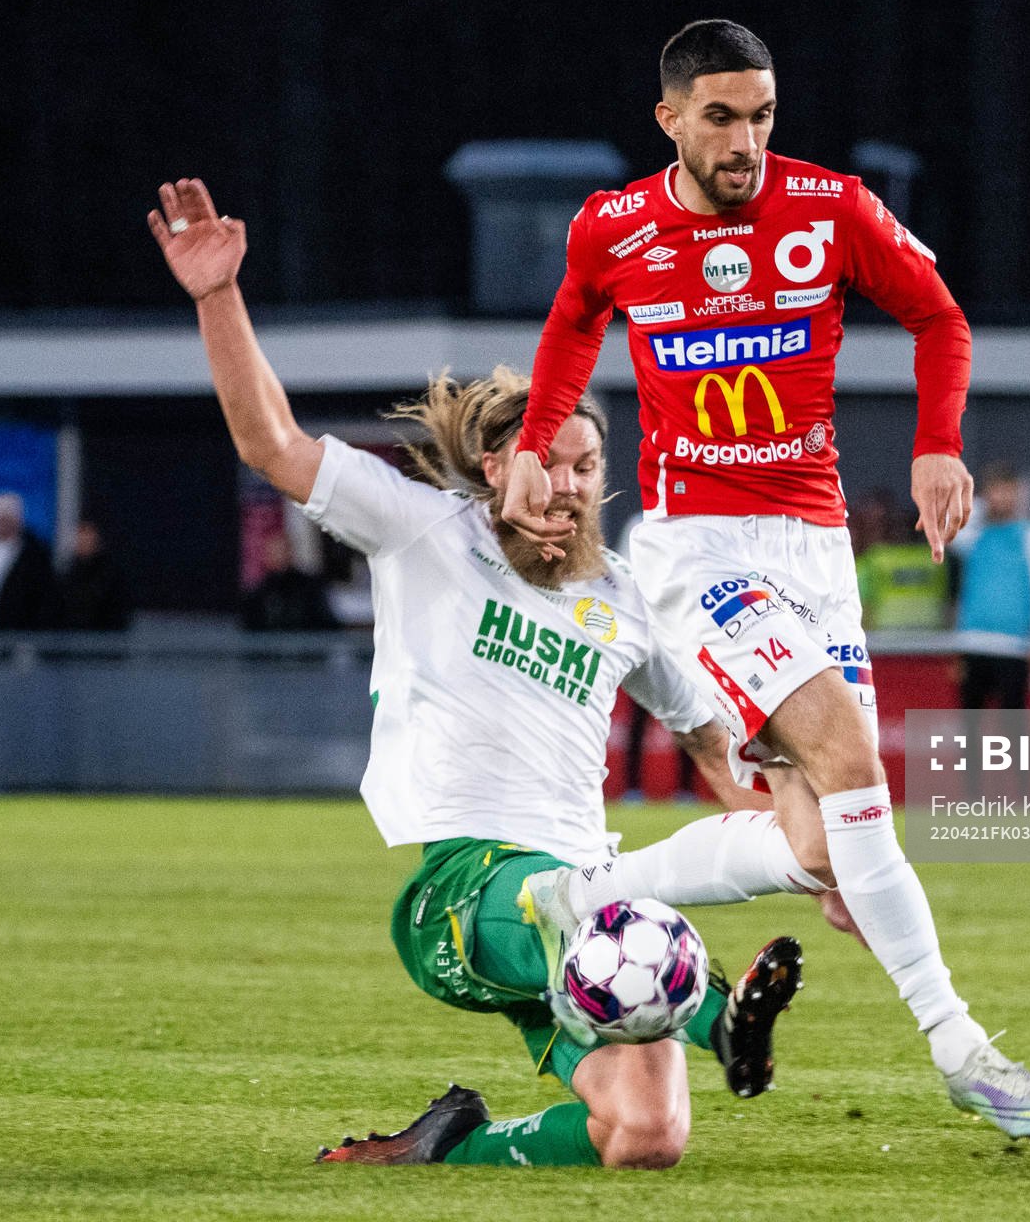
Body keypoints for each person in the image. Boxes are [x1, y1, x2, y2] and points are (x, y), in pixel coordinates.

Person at [149, 177, 838, 1170]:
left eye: (586, 462)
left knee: (646, 1135)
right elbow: (272, 443)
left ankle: (442, 1149)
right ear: (491, 468)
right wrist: (218, 294)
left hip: (586, 906)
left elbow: (709, 740)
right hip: (469, 897)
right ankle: (712, 1016)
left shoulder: (626, 598)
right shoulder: (424, 530)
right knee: (587, 903)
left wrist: (809, 848)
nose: (566, 481)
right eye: (544, 459)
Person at [501, 20, 1030, 1140]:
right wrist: (535, 437)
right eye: (721, 116)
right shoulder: (613, 227)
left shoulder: (832, 208)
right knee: (854, 758)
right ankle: (961, 1045)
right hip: (698, 547)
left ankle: (586, 889)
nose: (747, 139)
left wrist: (938, 441)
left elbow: (939, 318)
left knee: (820, 842)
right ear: (668, 118)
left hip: (813, 548)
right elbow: (573, 322)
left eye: (762, 114)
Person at [951, 465, 1030, 711]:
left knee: (1012, 726)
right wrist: (979, 504)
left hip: (1014, 646)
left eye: (1008, 491)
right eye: (995, 490)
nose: (1001, 497)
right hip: (973, 642)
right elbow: (947, 529)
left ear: (1019, 494)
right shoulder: (974, 535)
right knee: (971, 725)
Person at [0, 492, 59, 635]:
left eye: (4, 520)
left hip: (17, 639)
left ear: (17, 520)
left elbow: (43, 600)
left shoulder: (34, 554)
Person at [239, 532, 336, 632]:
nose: (280, 557)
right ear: (267, 556)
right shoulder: (258, 593)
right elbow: (249, 628)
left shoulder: (310, 587)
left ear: (291, 553)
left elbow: (325, 623)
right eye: (275, 553)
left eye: (283, 551)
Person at [60, 520, 133, 631]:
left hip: (105, 641)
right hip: (71, 639)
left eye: (88, 534)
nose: (83, 539)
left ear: (97, 537)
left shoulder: (111, 574)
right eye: (80, 533)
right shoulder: (67, 572)